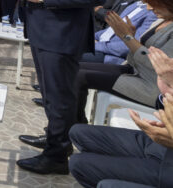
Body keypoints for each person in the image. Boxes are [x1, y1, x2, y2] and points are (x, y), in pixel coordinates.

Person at [14, 0, 108, 175]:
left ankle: (56, 155)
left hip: (61, 35)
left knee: (60, 96)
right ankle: (54, 135)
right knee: (51, 94)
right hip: (43, 30)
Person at [68, 47, 173, 188]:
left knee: (88, 171)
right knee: (78, 132)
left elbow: (125, 51)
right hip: (159, 145)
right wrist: (167, 89)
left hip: (167, 169)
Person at [72, 0, 173, 123]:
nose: (149, 8)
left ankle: (71, 128)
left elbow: (157, 67)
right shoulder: (163, 19)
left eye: (153, 3)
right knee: (73, 69)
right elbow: (143, 51)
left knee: (79, 77)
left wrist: (126, 37)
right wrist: (130, 36)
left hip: (151, 86)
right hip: (134, 70)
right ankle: (72, 122)